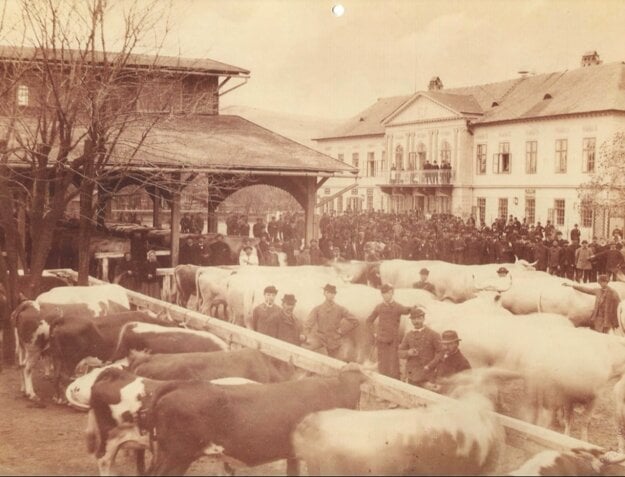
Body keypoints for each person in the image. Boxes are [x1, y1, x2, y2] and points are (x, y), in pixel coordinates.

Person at [365, 284, 414, 379]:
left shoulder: (397, 307)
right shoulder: (379, 307)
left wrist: (414, 307)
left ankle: (395, 385)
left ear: (392, 293)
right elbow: (369, 321)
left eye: (387, 293)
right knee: (382, 365)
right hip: (381, 341)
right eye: (383, 294)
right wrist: (374, 333)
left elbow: (406, 310)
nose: (385, 296)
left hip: (392, 342)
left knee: (393, 367)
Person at [303, 284, 359, 359]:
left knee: (334, 362)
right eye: (329, 293)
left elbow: (355, 321)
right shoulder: (317, 309)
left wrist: (342, 331)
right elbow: (308, 324)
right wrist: (305, 337)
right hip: (320, 338)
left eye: (333, 293)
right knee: (304, 350)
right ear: (325, 293)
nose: (331, 295)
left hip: (334, 340)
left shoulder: (340, 309)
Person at [398, 307, 441, 386]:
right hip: (412, 375)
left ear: (423, 319)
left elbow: (440, 353)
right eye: (413, 319)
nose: (416, 321)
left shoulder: (433, 334)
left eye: (418, 318)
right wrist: (408, 352)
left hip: (427, 375)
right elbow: (399, 352)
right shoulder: (408, 335)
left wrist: (429, 366)